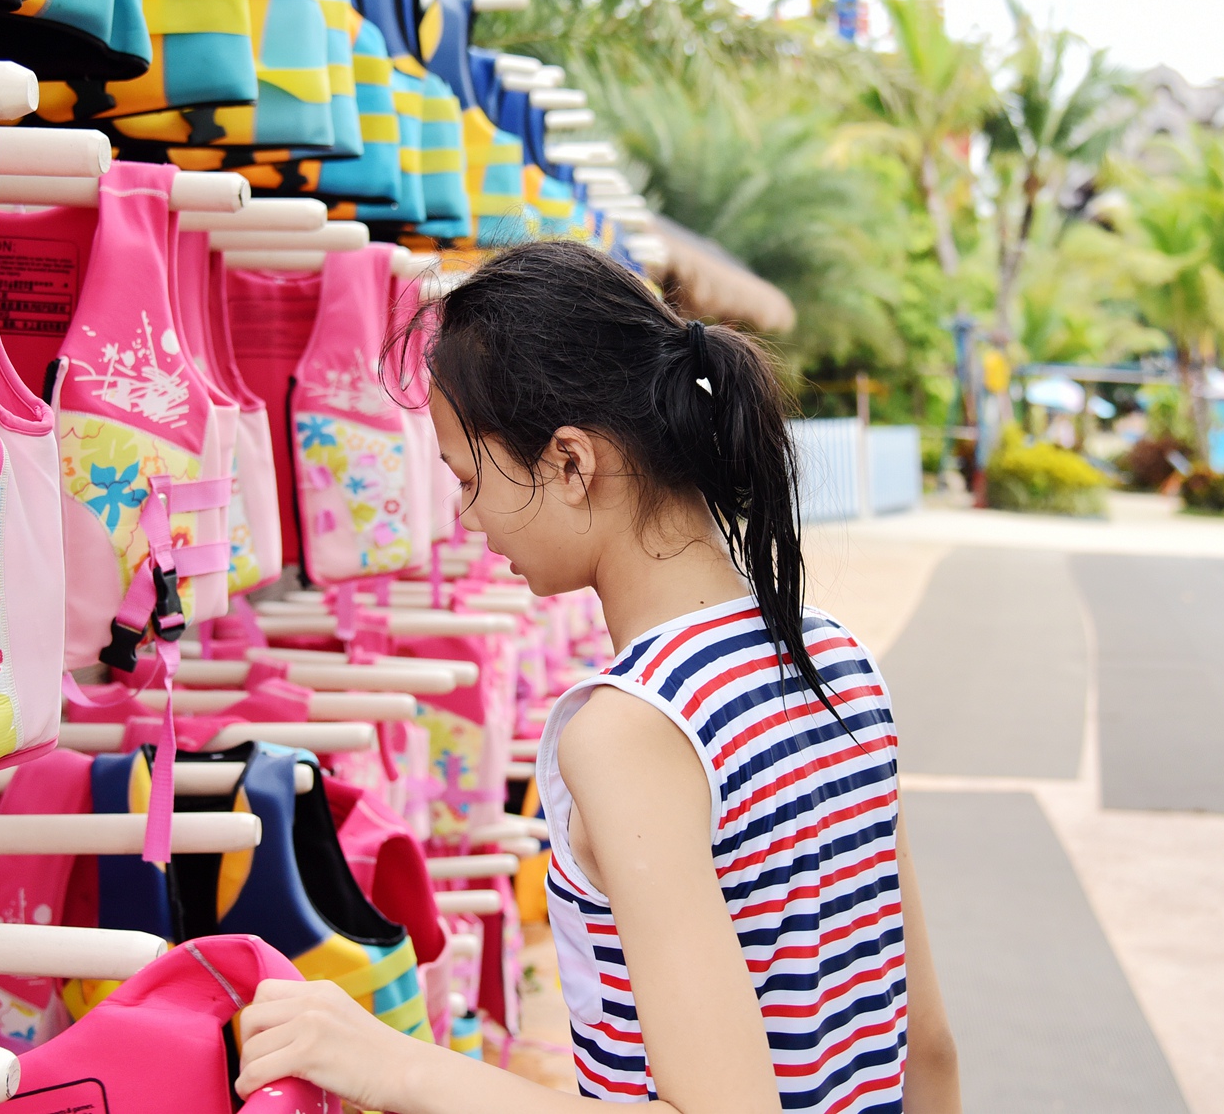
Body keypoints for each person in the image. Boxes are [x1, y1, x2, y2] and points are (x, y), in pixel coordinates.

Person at [234, 241, 960, 1114]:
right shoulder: (838, 657)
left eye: (471, 478)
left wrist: (391, 1063)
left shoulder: (631, 730)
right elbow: (929, 1050)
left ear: (572, 462)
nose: (467, 516)